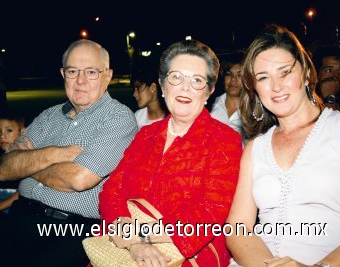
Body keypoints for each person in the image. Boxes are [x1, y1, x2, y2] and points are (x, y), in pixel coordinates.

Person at [226, 25, 340, 267]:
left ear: (307, 73)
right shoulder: (255, 148)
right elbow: (237, 228)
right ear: (254, 88)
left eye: (285, 72)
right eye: (263, 78)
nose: (276, 86)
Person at [0, 39, 138, 266]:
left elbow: (79, 179)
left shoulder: (118, 118)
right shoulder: (48, 116)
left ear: (107, 76)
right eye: (73, 71)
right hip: (20, 216)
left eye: (91, 72)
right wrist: (57, 153)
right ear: (63, 74)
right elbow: (5, 169)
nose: (81, 80)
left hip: (70, 230)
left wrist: (29, 163)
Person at [99, 40, 242, 266]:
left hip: (186, 255)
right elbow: (110, 190)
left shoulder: (224, 140)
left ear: (210, 91)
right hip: (126, 248)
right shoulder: (145, 135)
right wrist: (134, 242)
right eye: (176, 77)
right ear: (163, 84)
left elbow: (210, 210)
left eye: (197, 80)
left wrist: (142, 236)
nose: (185, 88)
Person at [211, 50, 246, 139]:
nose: (233, 79)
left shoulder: (254, 110)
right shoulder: (210, 104)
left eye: (239, 75)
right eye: (229, 74)